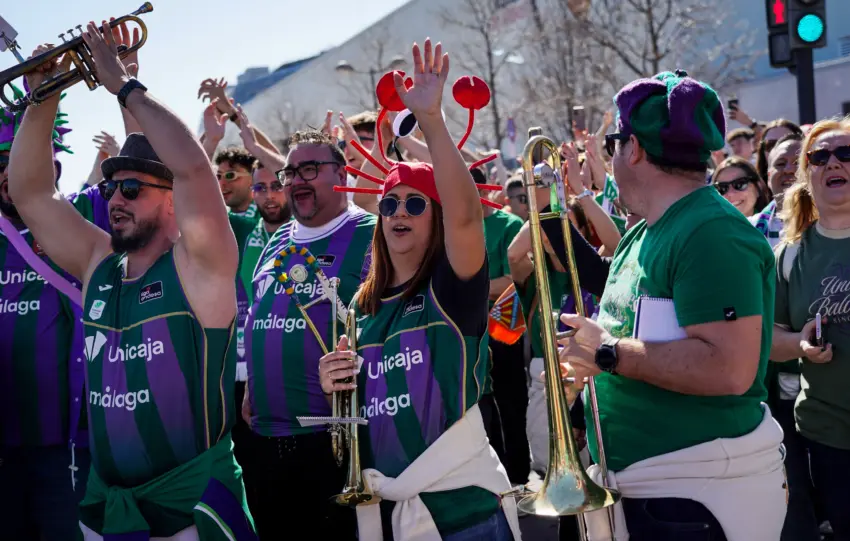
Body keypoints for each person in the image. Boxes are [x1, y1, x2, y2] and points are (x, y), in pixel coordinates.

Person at [8, 24, 255, 540]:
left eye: (131, 187)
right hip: (110, 514)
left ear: (172, 199)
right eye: (110, 187)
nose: (114, 198)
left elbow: (192, 167)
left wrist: (121, 82)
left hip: (192, 516)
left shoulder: (201, 265)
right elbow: (33, 194)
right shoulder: (100, 262)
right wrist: (43, 96)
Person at [559, 70, 786, 541]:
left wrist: (609, 354)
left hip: (695, 493)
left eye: (612, 145)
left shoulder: (711, 232)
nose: (610, 159)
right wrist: (590, 362)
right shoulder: (643, 232)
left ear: (634, 148)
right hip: (652, 489)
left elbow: (728, 368)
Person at [321, 38, 522, 541]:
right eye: (390, 206)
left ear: (436, 219)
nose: (400, 214)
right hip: (389, 515)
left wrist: (431, 119)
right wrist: (335, 387)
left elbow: (466, 214)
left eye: (416, 205)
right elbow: (357, 421)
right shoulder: (358, 311)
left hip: (468, 514)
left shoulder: (451, 291)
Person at [242, 124, 374, 538]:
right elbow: (259, 313)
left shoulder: (370, 233)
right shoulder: (277, 238)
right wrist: (250, 388)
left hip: (331, 443)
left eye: (310, 169)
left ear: (342, 175)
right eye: (290, 173)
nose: (296, 181)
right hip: (264, 440)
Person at [0, 84, 103, 540]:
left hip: (69, 449)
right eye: (1, 162)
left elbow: (151, 174)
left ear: (53, 165)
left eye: (19, 159)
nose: (9, 173)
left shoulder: (83, 216)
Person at [771, 115, 850, 541]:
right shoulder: (789, 254)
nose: (832, 162)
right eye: (819, 157)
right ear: (808, 175)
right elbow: (770, 342)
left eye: (845, 153)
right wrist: (800, 343)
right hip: (828, 433)